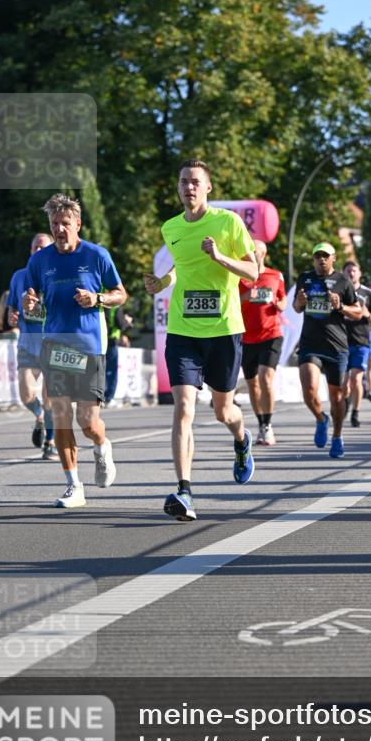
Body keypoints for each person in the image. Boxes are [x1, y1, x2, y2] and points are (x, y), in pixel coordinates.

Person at [144, 159, 257, 522]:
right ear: (177, 188)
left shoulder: (228, 223)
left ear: (208, 187)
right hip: (183, 330)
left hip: (223, 330)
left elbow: (253, 272)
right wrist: (163, 282)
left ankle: (241, 440)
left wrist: (220, 257)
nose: (188, 187)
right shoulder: (170, 227)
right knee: (184, 409)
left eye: (195, 182)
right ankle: (185, 491)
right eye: (183, 182)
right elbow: (183, 266)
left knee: (223, 411)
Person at [23, 194, 127, 506]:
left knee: (87, 421)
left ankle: (101, 447)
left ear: (77, 224)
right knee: (60, 415)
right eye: (54, 224)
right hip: (55, 344)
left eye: (65, 224)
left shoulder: (96, 255)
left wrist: (98, 299)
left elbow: (120, 294)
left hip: (90, 344)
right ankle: (73, 485)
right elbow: (32, 293)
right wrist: (30, 301)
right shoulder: (40, 261)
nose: (59, 229)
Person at [293, 242, 361, 458]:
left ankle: (337, 437)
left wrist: (340, 306)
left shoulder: (343, 280)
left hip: (336, 346)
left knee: (337, 397)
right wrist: (299, 302)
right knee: (309, 390)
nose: (321, 259)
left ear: (334, 258)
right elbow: (296, 308)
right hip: (310, 344)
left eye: (325, 256)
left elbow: (359, 312)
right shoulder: (305, 278)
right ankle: (322, 419)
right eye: (317, 256)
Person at [7, 232, 59, 459]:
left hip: (54, 344)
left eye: (43, 247)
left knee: (50, 397)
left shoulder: (57, 275)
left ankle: (51, 441)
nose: (38, 251)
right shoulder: (19, 276)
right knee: (26, 394)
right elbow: (12, 308)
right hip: (28, 344)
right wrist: (12, 316)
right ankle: (39, 416)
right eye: (35, 247)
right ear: (30, 251)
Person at [239, 239, 287, 446]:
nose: (250, 253)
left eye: (254, 251)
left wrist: (278, 304)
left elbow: (283, 300)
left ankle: (268, 424)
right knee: (252, 384)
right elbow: (231, 301)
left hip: (271, 334)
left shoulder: (275, 275)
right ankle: (260, 423)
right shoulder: (239, 277)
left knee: (265, 377)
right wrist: (247, 296)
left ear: (263, 254)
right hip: (245, 337)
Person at [342, 260, 371, 427]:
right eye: (348, 270)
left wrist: (367, 315)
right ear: (343, 273)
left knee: (356, 379)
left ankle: (355, 413)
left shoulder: (367, 293)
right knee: (343, 383)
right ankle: (345, 404)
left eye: (354, 271)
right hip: (340, 341)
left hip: (360, 341)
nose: (351, 273)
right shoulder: (338, 291)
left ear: (359, 273)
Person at [104, 305, 134, 405]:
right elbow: (120, 324)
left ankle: (99, 397)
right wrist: (127, 321)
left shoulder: (99, 306)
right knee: (111, 371)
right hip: (111, 342)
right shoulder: (115, 308)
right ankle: (109, 398)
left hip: (99, 342)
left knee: (100, 370)